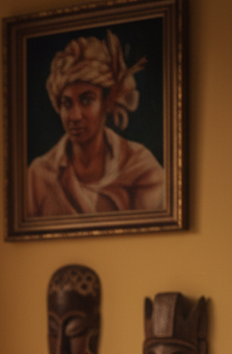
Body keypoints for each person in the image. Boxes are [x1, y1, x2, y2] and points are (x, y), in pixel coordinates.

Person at [26, 29, 165, 218]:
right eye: (67, 103)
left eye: (86, 100)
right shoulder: (39, 176)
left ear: (107, 102)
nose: (75, 116)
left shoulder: (141, 168)